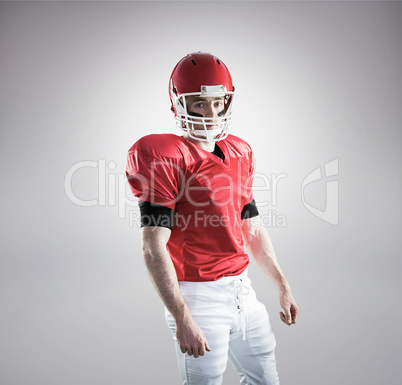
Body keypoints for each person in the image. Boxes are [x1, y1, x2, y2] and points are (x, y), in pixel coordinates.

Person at [125, 52, 299, 385]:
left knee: (267, 380)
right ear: (179, 103)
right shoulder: (163, 154)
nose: (212, 112)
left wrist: (282, 285)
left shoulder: (240, 151)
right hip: (197, 297)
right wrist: (182, 317)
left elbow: (254, 229)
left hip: (243, 292)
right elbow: (152, 247)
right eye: (200, 103)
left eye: (218, 102)